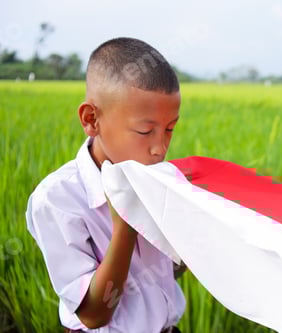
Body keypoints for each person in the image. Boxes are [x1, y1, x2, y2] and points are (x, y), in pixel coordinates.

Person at [25, 37, 187, 333]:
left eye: (170, 129)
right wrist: (126, 222)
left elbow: (168, 271)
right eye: (145, 130)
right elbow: (95, 314)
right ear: (91, 119)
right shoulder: (58, 200)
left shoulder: (155, 180)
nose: (160, 149)